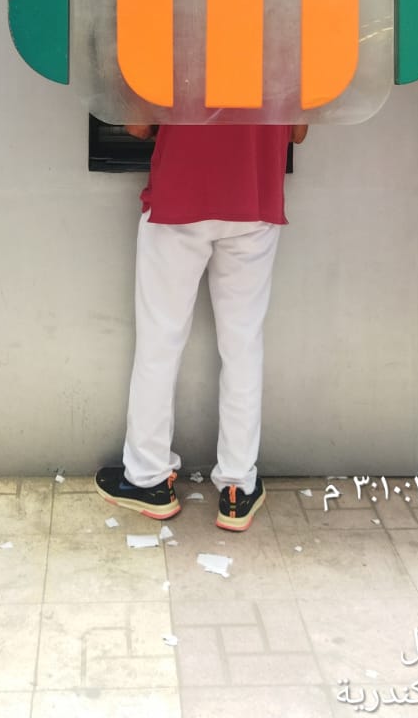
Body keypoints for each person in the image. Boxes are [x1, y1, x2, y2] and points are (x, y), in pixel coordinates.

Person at [95, 120, 307, 531]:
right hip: (255, 198)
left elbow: (137, 125)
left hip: (178, 197)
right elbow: (296, 131)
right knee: (243, 346)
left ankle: (148, 479)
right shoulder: (286, 68)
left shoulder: (175, 66)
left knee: (159, 343)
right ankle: (238, 487)